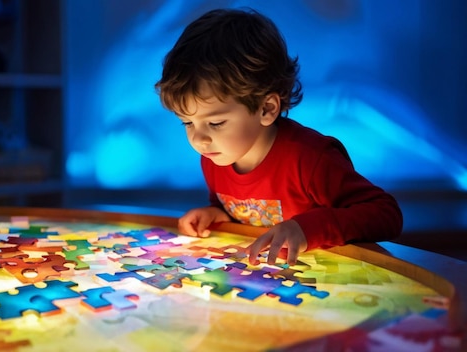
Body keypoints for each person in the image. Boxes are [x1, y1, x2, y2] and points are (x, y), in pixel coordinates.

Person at [154, 8, 403, 266]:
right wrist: (214, 214)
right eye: (187, 122)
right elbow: (238, 212)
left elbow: (386, 214)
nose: (199, 139)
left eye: (216, 122)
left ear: (266, 109)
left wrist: (306, 229)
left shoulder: (310, 158)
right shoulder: (214, 156)